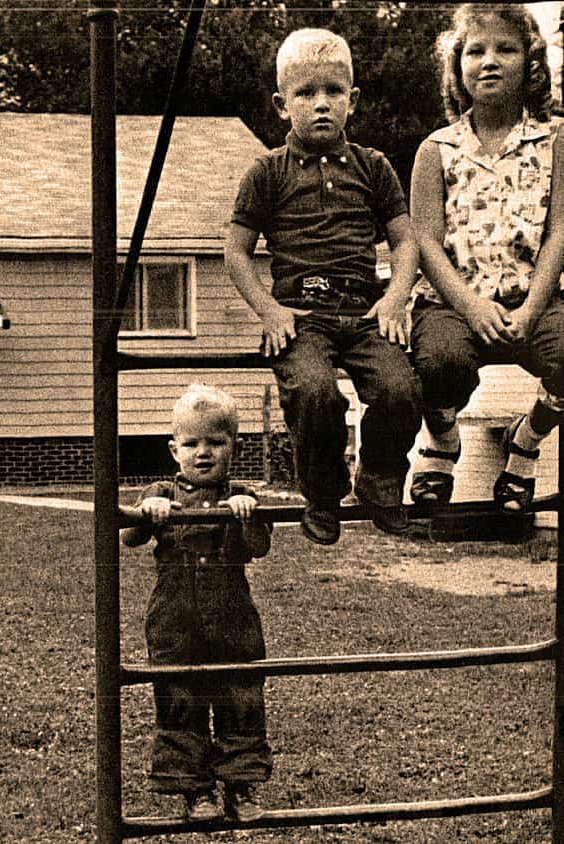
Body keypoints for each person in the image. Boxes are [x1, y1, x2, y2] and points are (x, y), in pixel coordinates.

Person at [225, 28, 422, 546]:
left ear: (352, 101)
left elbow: (406, 243)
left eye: (334, 92)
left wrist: (395, 298)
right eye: (305, 93)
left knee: (401, 388)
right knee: (316, 394)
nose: (321, 105)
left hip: (362, 312)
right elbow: (236, 252)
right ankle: (323, 490)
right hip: (298, 314)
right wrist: (268, 310)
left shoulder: (373, 167)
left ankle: (379, 478)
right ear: (280, 104)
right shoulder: (266, 172)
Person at [408, 4, 564, 514]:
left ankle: (525, 444)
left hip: (530, 294)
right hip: (453, 301)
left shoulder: (555, 142)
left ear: (532, 63)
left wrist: (531, 308)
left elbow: (559, 229)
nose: (489, 61)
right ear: (457, 66)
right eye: (475, 51)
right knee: (437, 362)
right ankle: (441, 441)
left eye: (505, 49)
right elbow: (426, 241)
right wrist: (472, 307)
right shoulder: (437, 148)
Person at [121, 385, 272, 823]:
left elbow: (259, 547)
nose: (203, 452)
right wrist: (146, 512)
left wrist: (245, 512)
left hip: (232, 619)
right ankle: (195, 791)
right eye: (191, 444)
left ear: (234, 447)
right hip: (174, 620)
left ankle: (241, 786)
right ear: (174, 449)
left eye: (215, 442)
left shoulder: (241, 494)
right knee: (179, 697)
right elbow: (127, 537)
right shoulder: (160, 492)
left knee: (239, 697)